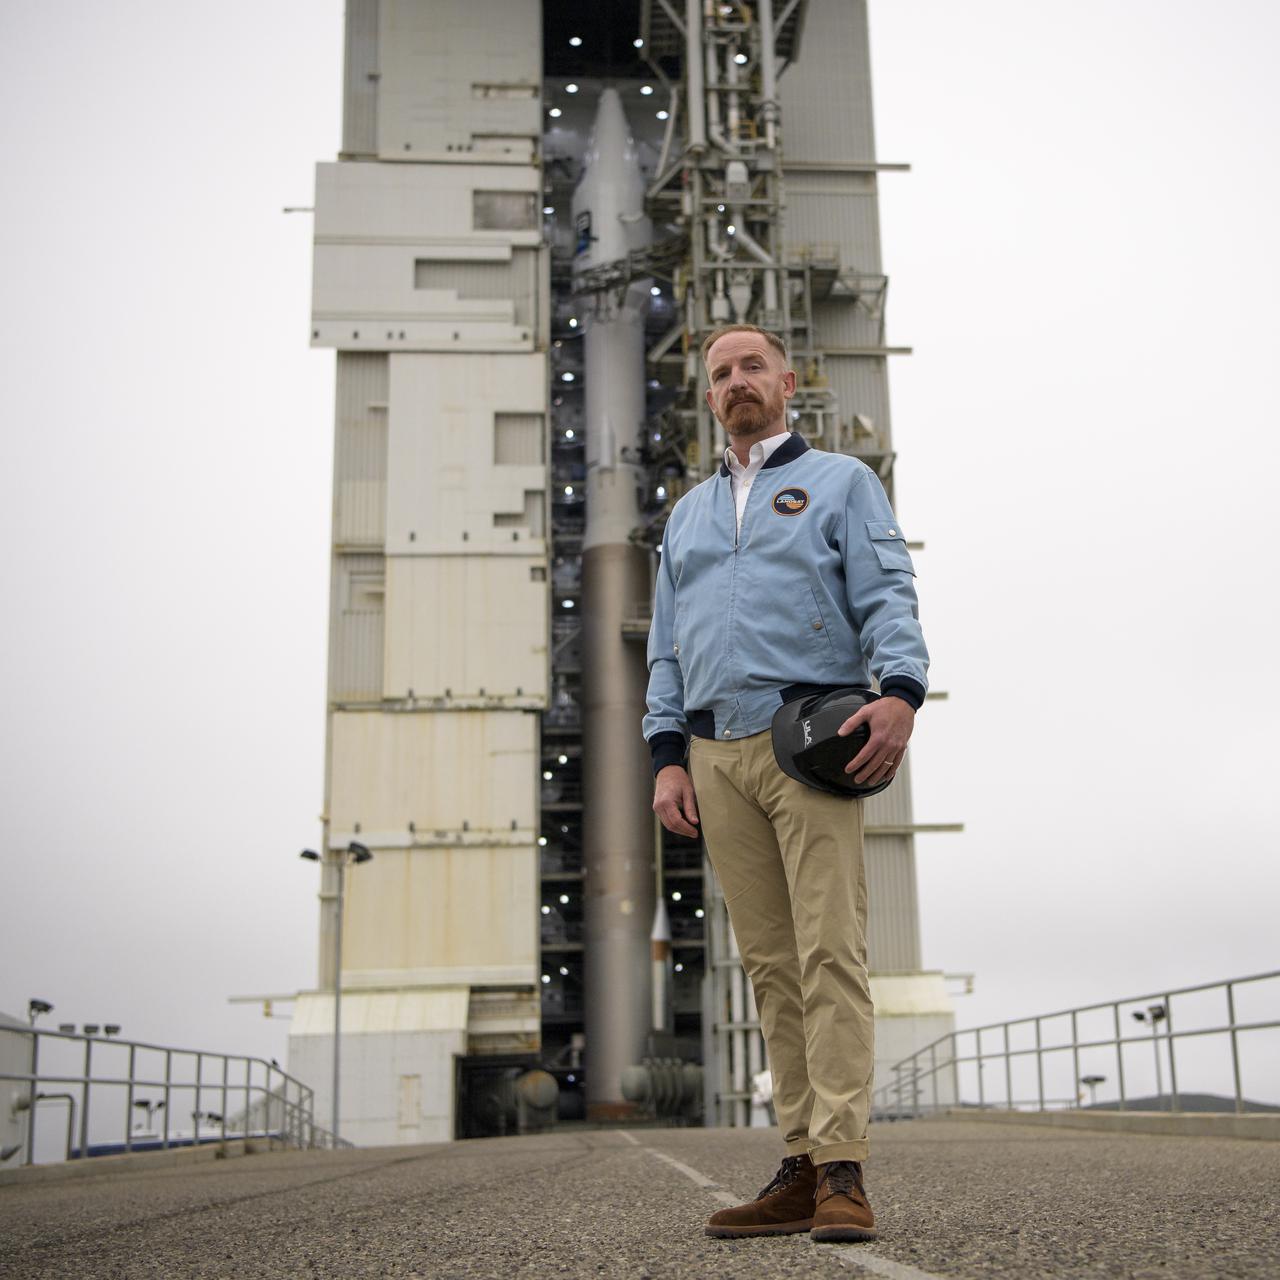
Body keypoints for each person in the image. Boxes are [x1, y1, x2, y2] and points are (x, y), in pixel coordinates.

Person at [643, 324, 929, 1243]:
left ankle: (845, 1167)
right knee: (770, 969)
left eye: (751, 367)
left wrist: (900, 691)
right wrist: (666, 757)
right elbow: (665, 648)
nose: (735, 383)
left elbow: (887, 592)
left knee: (829, 954)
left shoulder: (842, 482)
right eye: (720, 373)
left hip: (805, 737)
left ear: (788, 382)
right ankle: (801, 1164)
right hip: (714, 755)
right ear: (710, 395)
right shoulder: (685, 516)